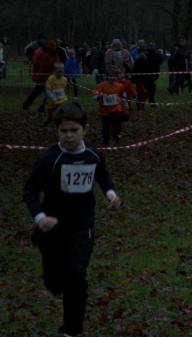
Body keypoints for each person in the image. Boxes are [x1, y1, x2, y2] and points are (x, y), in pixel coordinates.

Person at [23, 101, 121, 337]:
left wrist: (111, 193)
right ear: (57, 131)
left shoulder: (93, 154)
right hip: (52, 226)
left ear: (85, 130)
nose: (68, 136)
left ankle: (72, 330)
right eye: (63, 131)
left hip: (81, 225)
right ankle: (50, 271)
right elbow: (30, 191)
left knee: (76, 277)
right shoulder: (50, 159)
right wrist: (40, 217)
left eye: (74, 130)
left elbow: (103, 176)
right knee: (56, 282)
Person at [93, 67, 126, 146]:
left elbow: (123, 96)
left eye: (114, 76)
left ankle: (115, 133)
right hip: (105, 110)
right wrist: (99, 96)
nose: (112, 78)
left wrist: (124, 105)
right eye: (110, 76)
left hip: (116, 108)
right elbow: (94, 96)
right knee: (106, 127)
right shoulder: (101, 85)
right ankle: (106, 143)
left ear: (116, 77)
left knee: (117, 120)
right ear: (107, 77)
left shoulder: (120, 86)